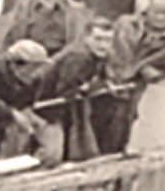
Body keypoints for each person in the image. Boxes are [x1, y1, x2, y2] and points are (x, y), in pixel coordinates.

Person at [103, 0, 165, 154]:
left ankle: (115, 155)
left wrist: (149, 72)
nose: (160, 17)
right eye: (156, 12)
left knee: (123, 120)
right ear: (147, 10)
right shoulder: (125, 23)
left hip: (132, 87)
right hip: (104, 76)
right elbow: (109, 47)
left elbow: (164, 70)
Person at [37, 16, 119, 160]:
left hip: (61, 108)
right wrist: (92, 87)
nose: (103, 45)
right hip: (43, 107)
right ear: (86, 38)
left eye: (108, 40)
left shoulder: (100, 55)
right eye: (98, 39)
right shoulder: (79, 57)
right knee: (51, 155)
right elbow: (64, 91)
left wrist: (103, 82)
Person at [0, 39, 63, 165]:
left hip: (15, 120)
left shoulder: (35, 79)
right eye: (33, 67)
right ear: (16, 65)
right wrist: (11, 113)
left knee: (50, 131)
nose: (37, 72)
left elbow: (28, 103)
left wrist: (30, 119)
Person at [0, 0, 87, 57]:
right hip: (27, 59)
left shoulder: (71, 11)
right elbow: (9, 37)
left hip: (59, 62)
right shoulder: (23, 9)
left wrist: (55, 61)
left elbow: (75, 42)